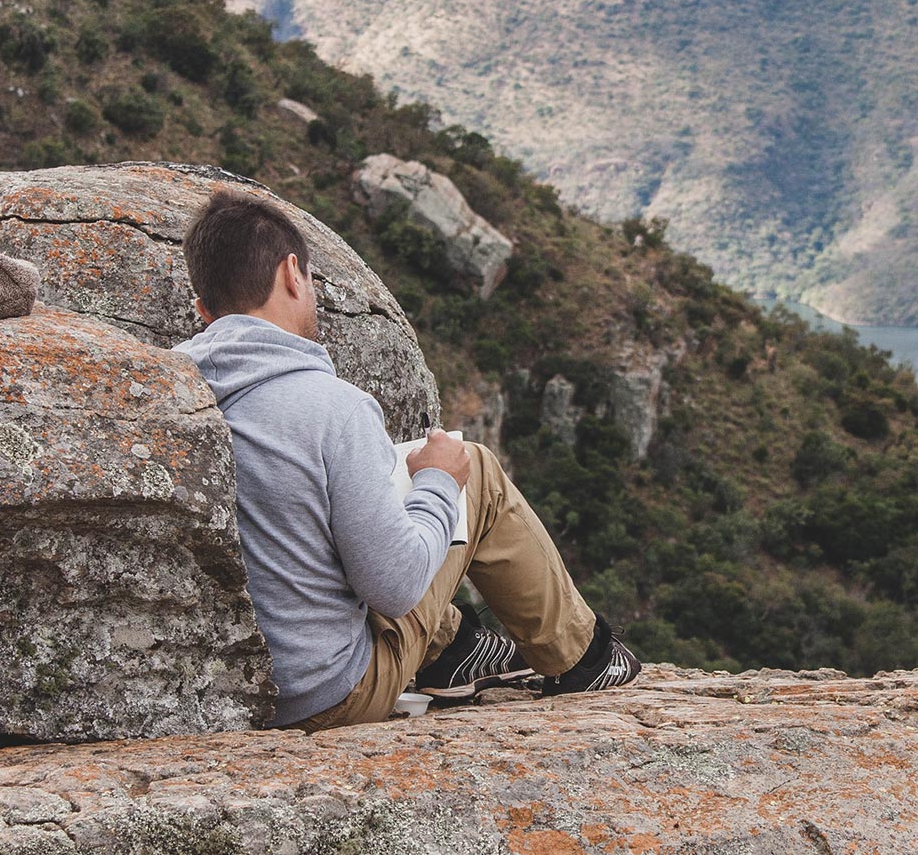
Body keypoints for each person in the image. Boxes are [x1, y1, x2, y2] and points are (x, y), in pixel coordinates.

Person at [173, 189, 639, 730]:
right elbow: (394, 588)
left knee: (358, 500)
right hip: (326, 695)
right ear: (292, 273)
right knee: (476, 470)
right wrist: (441, 481)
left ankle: (453, 650)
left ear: (205, 309)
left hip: (226, 686)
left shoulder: (176, 391)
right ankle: (584, 659)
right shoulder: (334, 410)